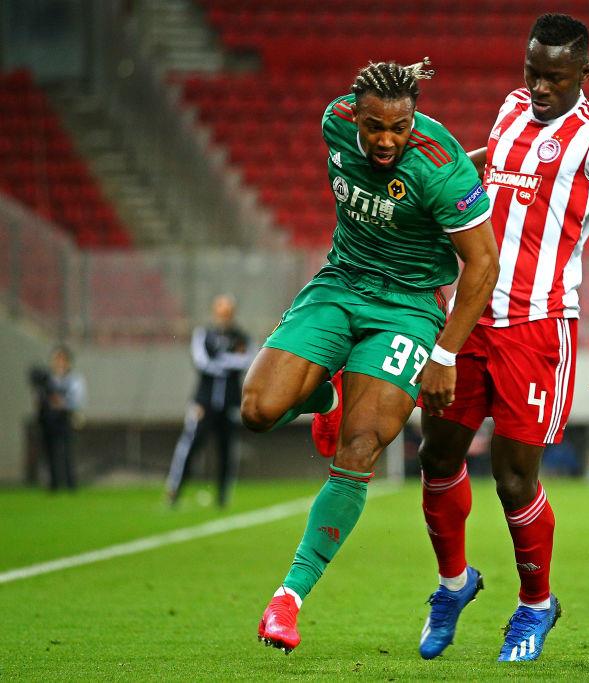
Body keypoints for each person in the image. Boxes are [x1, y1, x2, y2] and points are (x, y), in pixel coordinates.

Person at [243, 59, 499, 654]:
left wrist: (445, 354)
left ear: (415, 120)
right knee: (257, 410)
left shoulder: (441, 164)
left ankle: (288, 599)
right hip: (340, 284)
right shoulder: (333, 120)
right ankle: (324, 396)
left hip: (408, 307)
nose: (387, 140)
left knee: (360, 445)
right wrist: (390, 76)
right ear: (355, 115)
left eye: (400, 128)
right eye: (375, 126)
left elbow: (483, 263)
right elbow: (363, 97)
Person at [416, 14, 589, 662]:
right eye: (532, 73)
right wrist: (442, 174)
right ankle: (454, 584)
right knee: (437, 456)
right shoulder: (512, 107)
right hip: (470, 317)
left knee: (514, 479)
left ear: (584, 72)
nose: (540, 88)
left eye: (555, 77)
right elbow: (491, 164)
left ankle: (536, 605)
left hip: (539, 326)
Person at [165, 294, 251, 508]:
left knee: (227, 449)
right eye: (221, 312)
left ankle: (223, 495)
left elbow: (246, 361)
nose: (224, 317)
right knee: (190, 445)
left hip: (230, 403)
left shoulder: (241, 337)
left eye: (228, 313)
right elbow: (202, 362)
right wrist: (227, 361)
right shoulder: (203, 334)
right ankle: (175, 489)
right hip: (203, 403)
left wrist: (220, 360)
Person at [30, 345, 86, 491]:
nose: (59, 363)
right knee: (49, 451)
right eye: (57, 359)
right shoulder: (46, 379)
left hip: (65, 418)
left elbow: (77, 399)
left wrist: (62, 403)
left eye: (62, 360)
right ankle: (53, 484)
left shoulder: (74, 380)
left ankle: (70, 483)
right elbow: (38, 400)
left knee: (67, 451)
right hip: (48, 419)